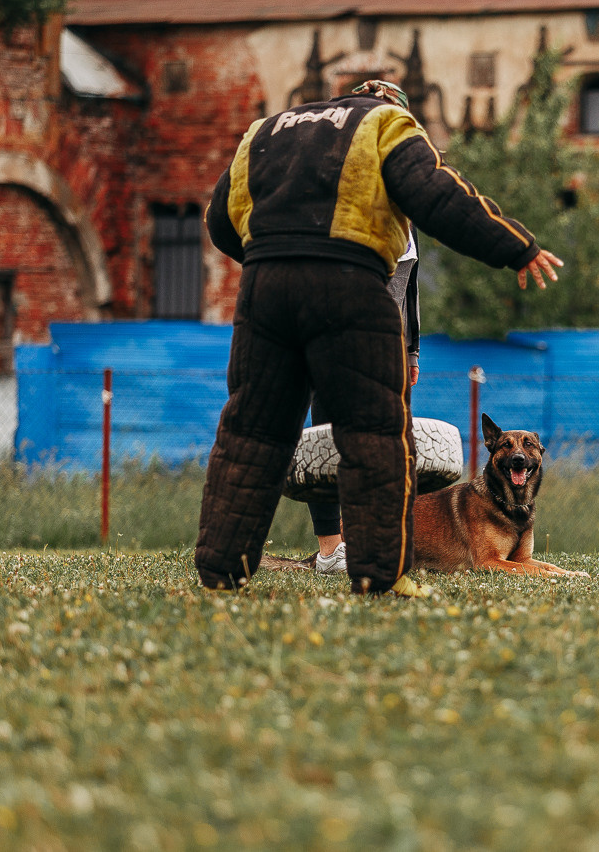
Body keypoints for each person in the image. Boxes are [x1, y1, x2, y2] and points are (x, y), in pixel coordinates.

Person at [198, 79, 562, 597]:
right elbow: (437, 195)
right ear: (393, 107)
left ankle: (221, 571)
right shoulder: (384, 125)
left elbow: (218, 220)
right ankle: (379, 573)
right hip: (350, 284)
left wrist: (273, 256)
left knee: (250, 432)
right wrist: (515, 245)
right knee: (375, 435)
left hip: (265, 290)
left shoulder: (266, 131)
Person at [309, 226, 421, 575]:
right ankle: (330, 550)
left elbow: (409, 290)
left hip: (388, 350)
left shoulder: (407, 213)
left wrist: (411, 350)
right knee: (328, 442)